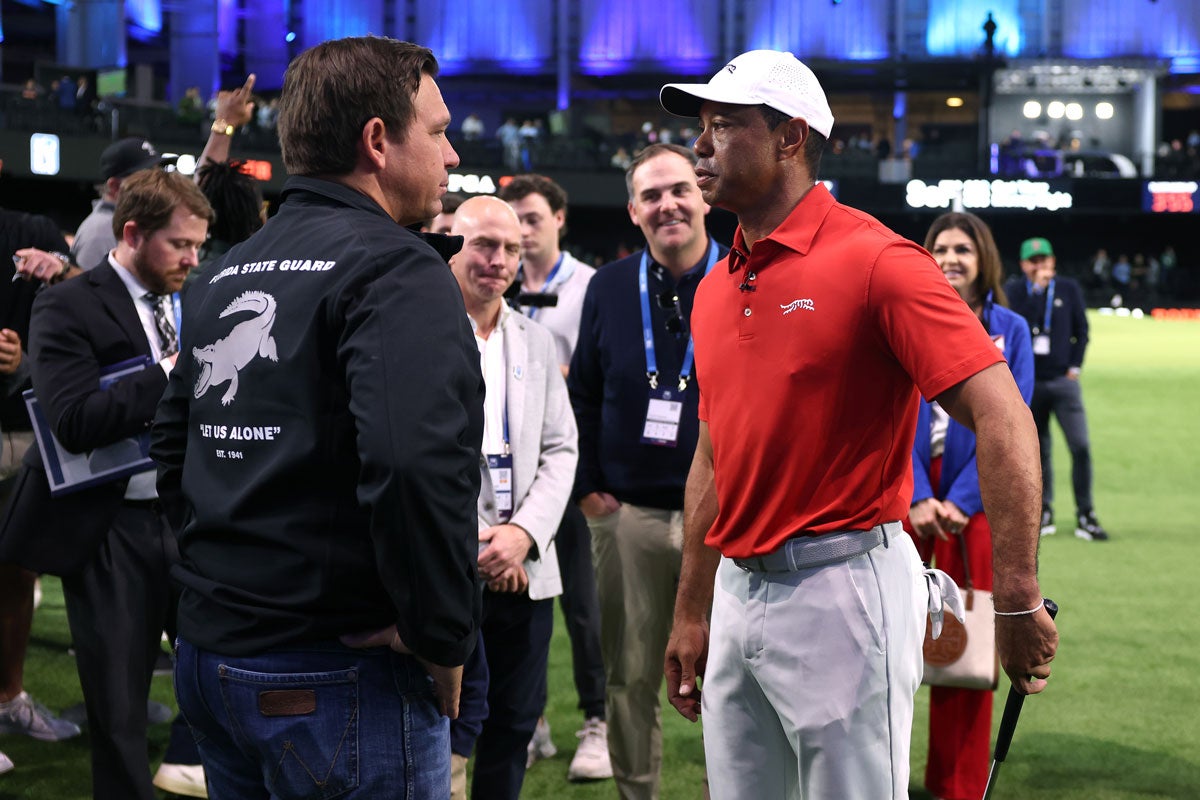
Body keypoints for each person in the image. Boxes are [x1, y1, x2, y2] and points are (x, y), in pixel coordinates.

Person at [657, 49, 1058, 800]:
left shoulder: (879, 261)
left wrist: (1015, 595)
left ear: (790, 137)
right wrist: (691, 608)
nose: (699, 146)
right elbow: (714, 459)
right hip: (739, 594)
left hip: (844, 589)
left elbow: (1004, 416)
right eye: (699, 127)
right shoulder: (717, 283)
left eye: (723, 125)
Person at [150, 36, 483, 799]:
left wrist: (224, 580)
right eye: (436, 132)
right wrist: (439, 630)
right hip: (338, 668)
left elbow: (174, 441)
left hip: (216, 652)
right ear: (377, 142)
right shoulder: (397, 266)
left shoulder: (226, 270)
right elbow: (411, 464)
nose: (453, 153)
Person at [13, 169, 212, 800]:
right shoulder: (67, 303)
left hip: (192, 519)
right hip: (108, 529)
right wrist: (169, 370)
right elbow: (72, 421)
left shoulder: (198, 294)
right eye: (180, 244)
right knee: (118, 703)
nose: (193, 258)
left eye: (199, 245)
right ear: (131, 233)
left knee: (217, 675)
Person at [568, 142, 725, 800]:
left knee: (735, 675)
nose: (668, 205)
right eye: (652, 195)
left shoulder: (741, 278)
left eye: (680, 190)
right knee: (629, 677)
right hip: (627, 514)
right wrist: (593, 494)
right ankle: (638, 793)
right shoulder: (608, 286)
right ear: (633, 210)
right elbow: (582, 393)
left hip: (725, 524)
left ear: (704, 196)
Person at [447, 195, 577, 800]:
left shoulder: (535, 341)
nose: (498, 261)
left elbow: (561, 451)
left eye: (511, 250)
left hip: (527, 567)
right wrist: (475, 538)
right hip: (451, 563)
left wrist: (521, 536)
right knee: (441, 729)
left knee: (513, 724)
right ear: (454, 244)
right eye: (484, 246)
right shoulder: (421, 331)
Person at [907, 212, 1034, 800]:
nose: (951, 257)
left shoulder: (1010, 328)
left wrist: (958, 499)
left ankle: (954, 787)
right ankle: (874, 778)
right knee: (889, 654)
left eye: (963, 248)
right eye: (939, 247)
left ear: (984, 258)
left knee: (964, 651)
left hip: (974, 513)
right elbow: (880, 419)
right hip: (905, 508)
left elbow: (1011, 424)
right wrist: (913, 494)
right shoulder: (903, 319)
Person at [498, 174, 610, 782]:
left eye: (533, 218)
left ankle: (596, 720)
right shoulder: (494, 281)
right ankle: (531, 720)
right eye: (515, 219)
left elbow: (600, 382)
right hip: (507, 477)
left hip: (570, 469)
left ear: (560, 218)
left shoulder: (589, 287)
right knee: (515, 599)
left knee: (584, 609)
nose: (523, 229)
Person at [1005, 237, 1109, 541]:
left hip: (1063, 381)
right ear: (1024, 264)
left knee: (1080, 446)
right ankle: (1044, 509)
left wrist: (1074, 367)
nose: (1040, 266)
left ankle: (1085, 513)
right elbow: (1018, 327)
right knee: (1039, 450)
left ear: (1053, 261)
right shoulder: (1014, 291)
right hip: (1030, 382)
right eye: (1033, 261)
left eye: (1045, 259)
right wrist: (1036, 292)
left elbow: (1082, 330)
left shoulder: (1067, 288)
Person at [71, 138, 177, 270]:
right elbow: (89, 289)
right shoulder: (100, 232)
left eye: (158, 173)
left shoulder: (131, 223)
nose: (157, 184)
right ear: (115, 186)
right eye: (146, 178)